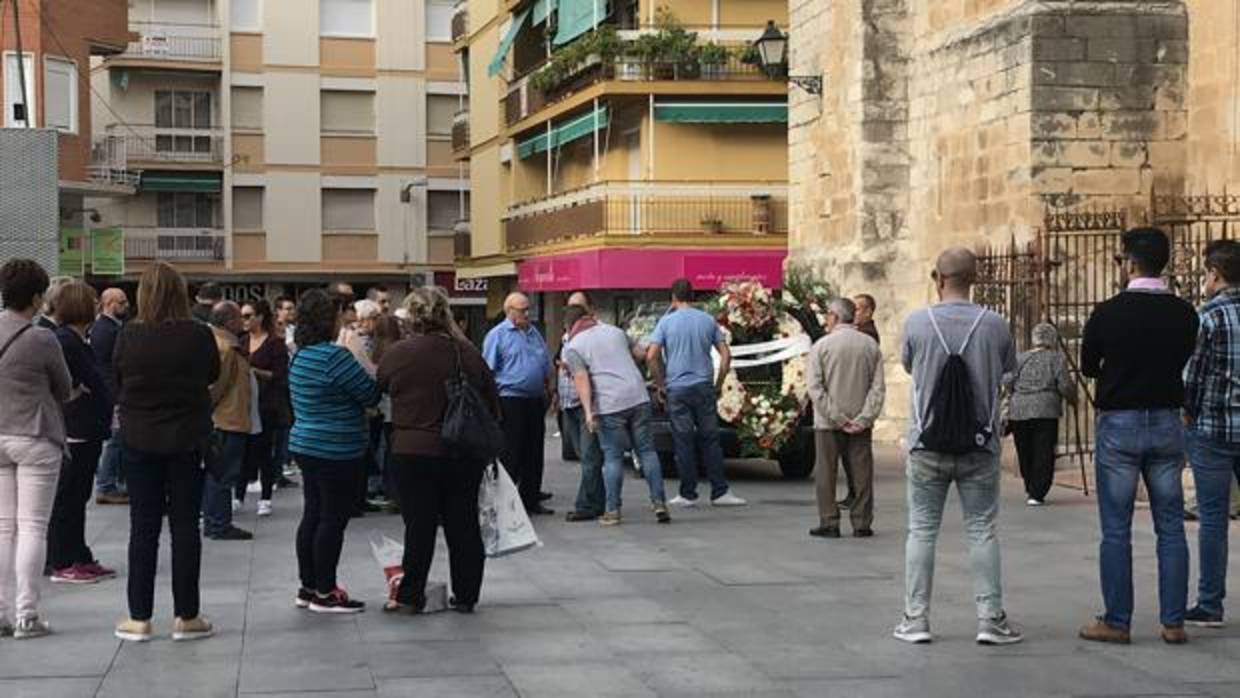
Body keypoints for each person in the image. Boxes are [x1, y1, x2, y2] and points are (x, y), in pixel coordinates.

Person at [1076, 227, 1198, 646]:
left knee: (1116, 527)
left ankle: (1117, 619)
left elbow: (1089, 365)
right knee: (1171, 525)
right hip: (1166, 419)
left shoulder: (1108, 311)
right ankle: (1173, 620)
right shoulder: (1186, 313)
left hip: (1120, 423)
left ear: (1129, 262)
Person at [894, 247, 1022, 646]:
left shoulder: (917, 323)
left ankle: (916, 619)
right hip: (979, 444)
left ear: (938, 277)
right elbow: (1007, 371)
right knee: (982, 529)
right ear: (976, 278)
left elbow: (909, 366)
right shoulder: (995, 324)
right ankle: (990, 617)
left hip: (927, 441)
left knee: (922, 530)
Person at [114, 262, 219, 643]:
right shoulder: (198, 334)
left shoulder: (128, 334)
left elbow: (118, 378)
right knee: (185, 526)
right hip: (187, 438)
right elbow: (211, 375)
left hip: (139, 438)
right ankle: (186, 616)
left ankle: (139, 617)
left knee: (143, 528)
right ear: (181, 293)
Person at [378, 287, 497, 613]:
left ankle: (412, 594)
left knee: (419, 524)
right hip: (461, 449)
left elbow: (378, 386)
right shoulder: (467, 352)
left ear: (411, 317)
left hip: (412, 449)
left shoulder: (399, 353)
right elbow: (491, 398)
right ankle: (467, 593)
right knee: (463, 523)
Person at [289, 289, 380, 614]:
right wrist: (362, 359)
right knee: (332, 519)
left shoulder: (301, 355)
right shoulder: (335, 357)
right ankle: (326, 592)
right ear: (328, 320)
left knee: (312, 514)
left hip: (305, 443)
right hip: (337, 447)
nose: (347, 322)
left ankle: (308, 586)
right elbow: (369, 394)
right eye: (342, 316)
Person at [0, 259, 72, 640]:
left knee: (2, 527)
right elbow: (64, 388)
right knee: (32, 527)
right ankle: (27, 615)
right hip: (35, 435)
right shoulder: (42, 338)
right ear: (35, 297)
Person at [564, 305, 670, 526]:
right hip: (638, 397)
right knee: (647, 452)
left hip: (610, 404)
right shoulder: (616, 332)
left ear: (569, 326)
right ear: (589, 317)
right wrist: (659, 381)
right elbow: (645, 354)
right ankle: (659, 503)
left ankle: (613, 510)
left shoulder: (573, 347)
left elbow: (581, 380)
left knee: (612, 458)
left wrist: (588, 412)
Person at [646, 279, 746, 507]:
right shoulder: (707, 321)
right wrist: (718, 382)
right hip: (703, 387)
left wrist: (661, 384)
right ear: (693, 297)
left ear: (673, 297)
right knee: (710, 439)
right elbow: (726, 355)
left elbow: (652, 355)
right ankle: (720, 491)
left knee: (683, 441)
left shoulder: (666, 323)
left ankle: (687, 493)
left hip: (677, 389)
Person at [1183, 239, 1240, 629]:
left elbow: (1193, 377)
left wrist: (1187, 413)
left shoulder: (1209, 317)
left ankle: (1210, 602)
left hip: (1215, 429)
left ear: (1215, 274)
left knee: (1214, 518)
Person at [47, 282, 117, 585]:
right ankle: (62, 560)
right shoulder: (66, 341)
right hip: (77, 428)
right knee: (69, 497)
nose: (96, 305)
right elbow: (74, 382)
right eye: (91, 300)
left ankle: (78, 554)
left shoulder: (77, 339)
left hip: (86, 428)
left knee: (78, 495)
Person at [805, 298, 884, 539]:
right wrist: (863, 417)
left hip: (828, 422)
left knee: (826, 472)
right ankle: (861, 521)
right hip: (860, 420)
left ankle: (829, 520)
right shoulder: (870, 346)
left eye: (828, 315)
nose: (826, 319)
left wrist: (836, 416)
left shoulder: (822, 346)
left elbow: (815, 388)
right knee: (862, 472)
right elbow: (877, 387)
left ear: (835, 316)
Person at [483, 292, 555, 515]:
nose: (527, 314)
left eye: (528, 309)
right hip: (510, 400)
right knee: (511, 452)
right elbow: (487, 370)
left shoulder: (534, 333)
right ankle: (504, 502)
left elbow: (545, 363)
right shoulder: (498, 335)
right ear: (510, 312)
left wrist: (549, 387)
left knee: (534, 452)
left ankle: (530, 499)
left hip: (534, 400)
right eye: (523, 310)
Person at [1002, 322, 1076, 506]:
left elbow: (1007, 381)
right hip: (1046, 409)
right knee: (1043, 450)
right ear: (1052, 339)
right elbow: (1065, 385)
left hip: (1019, 410)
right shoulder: (1056, 359)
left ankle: (1031, 486)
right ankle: (1038, 491)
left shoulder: (1020, 358)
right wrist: (1072, 398)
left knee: (1025, 449)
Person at [202, 302, 254, 541]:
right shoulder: (225, 348)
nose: (242, 323)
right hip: (226, 419)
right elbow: (217, 387)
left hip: (226, 418)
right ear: (230, 321)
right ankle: (219, 523)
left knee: (218, 474)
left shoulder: (218, 344)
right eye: (238, 318)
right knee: (222, 474)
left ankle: (215, 520)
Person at [236, 300, 290, 517]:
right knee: (242, 451)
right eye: (242, 316)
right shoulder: (241, 341)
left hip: (267, 405)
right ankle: (237, 495)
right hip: (245, 404)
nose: (245, 320)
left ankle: (265, 496)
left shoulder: (275, 344)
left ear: (260, 317)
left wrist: (254, 371)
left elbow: (280, 376)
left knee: (264, 452)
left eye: (249, 316)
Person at [560, 291, 606, 522]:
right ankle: (597, 500)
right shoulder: (567, 336)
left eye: (577, 307)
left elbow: (584, 373)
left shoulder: (594, 334)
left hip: (585, 404)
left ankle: (586, 504)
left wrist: (589, 410)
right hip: (568, 403)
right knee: (584, 456)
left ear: (589, 309)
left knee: (590, 457)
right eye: (569, 307)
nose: (572, 312)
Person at [838, 292, 881, 510]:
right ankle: (854, 493)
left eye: (858, 309)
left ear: (869, 311)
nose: (854, 313)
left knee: (858, 455)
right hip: (856, 399)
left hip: (859, 401)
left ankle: (859, 497)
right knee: (849, 454)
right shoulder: (860, 333)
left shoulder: (868, 335)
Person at [92, 288, 130, 505]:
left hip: (113, 392)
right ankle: (106, 485)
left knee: (117, 440)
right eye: (122, 303)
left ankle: (111, 482)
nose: (126, 306)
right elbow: (107, 368)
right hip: (113, 394)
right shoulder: (106, 330)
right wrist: (116, 396)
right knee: (115, 441)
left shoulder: (111, 327)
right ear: (110, 304)